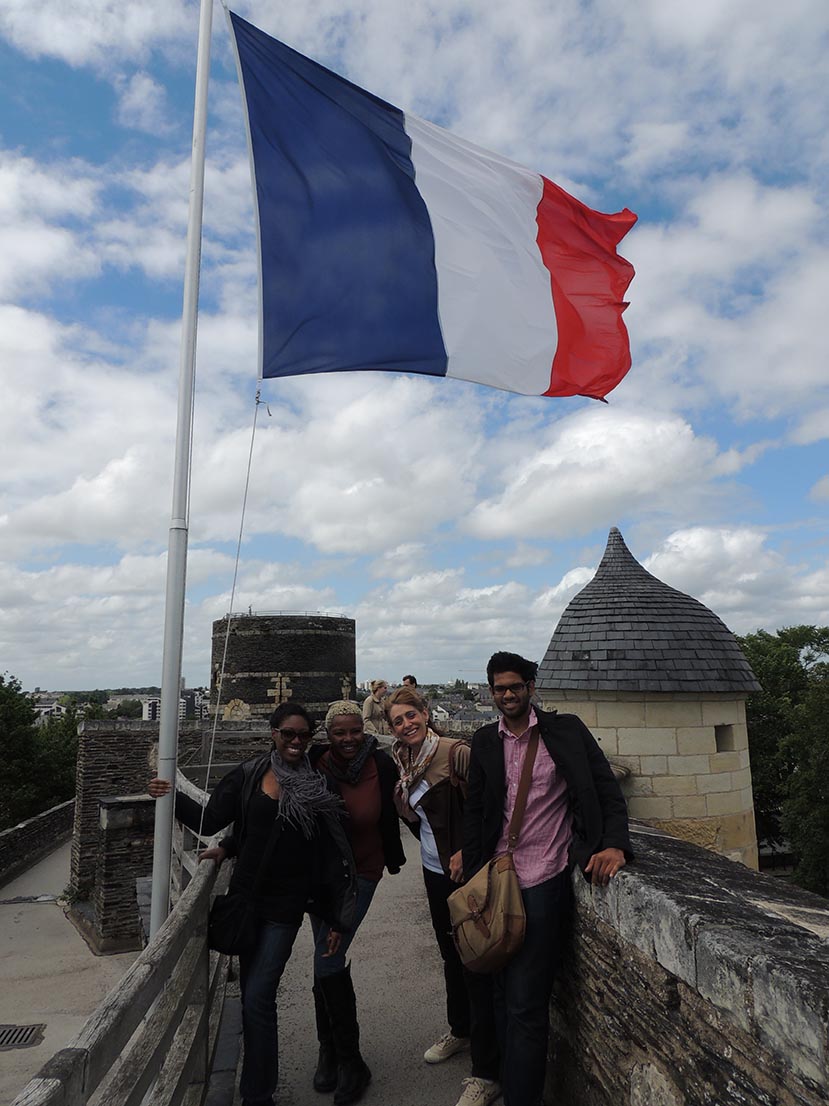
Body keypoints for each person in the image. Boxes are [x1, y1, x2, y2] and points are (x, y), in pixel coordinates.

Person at [148, 701, 356, 1106]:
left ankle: (257, 1096)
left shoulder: (320, 787)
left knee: (259, 996)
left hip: (285, 907)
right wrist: (167, 794)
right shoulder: (248, 774)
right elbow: (212, 821)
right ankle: (258, 1084)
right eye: (288, 734)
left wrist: (336, 919)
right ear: (273, 734)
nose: (296, 741)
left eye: (303, 735)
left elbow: (330, 859)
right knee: (250, 997)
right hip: (246, 900)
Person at [463, 652, 633, 1106]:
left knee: (525, 1003)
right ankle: (500, 1076)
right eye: (499, 688)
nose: (508, 695)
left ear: (531, 687)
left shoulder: (566, 730)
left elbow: (605, 789)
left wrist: (614, 843)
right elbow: (476, 809)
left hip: (543, 880)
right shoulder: (483, 741)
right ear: (491, 691)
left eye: (515, 686)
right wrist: (470, 873)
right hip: (496, 881)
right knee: (499, 989)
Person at [385, 686, 501, 1106]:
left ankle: (487, 1073)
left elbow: (492, 804)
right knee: (450, 955)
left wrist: (468, 850)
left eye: (411, 716)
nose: (406, 725)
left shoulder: (454, 752)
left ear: (425, 712)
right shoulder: (402, 761)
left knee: (476, 963)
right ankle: (461, 1029)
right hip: (434, 873)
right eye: (397, 721)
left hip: (467, 876)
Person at [307, 700, 406, 1105]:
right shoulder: (312, 764)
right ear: (327, 736)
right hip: (319, 880)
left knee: (329, 956)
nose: (348, 739)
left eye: (355, 731)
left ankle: (350, 1059)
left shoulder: (380, 766)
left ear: (364, 730)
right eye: (339, 733)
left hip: (362, 874)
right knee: (322, 958)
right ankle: (329, 1050)